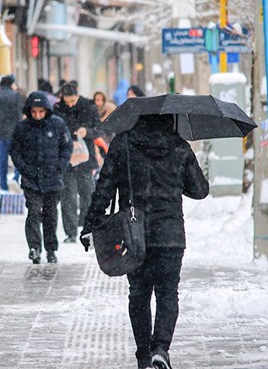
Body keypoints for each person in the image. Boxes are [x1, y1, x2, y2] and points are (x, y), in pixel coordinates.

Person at [80, 114, 209, 369]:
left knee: (138, 294)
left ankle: (143, 355)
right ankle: (161, 348)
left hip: (133, 233)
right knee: (167, 293)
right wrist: (172, 177)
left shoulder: (123, 143)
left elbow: (104, 188)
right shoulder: (179, 145)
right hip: (170, 235)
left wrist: (91, 223)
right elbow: (200, 190)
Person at [10, 92, 73, 264]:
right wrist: (24, 169)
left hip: (53, 179)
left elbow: (67, 147)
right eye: (34, 112)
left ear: (46, 111)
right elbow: (15, 150)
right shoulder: (22, 127)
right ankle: (34, 247)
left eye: (41, 112)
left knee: (51, 215)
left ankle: (51, 249)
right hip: (31, 179)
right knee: (34, 213)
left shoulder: (58, 125)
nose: (37, 116)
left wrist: (60, 167)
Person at [53, 83, 102, 243]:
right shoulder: (58, 108)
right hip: (66, 160)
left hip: (85, 159)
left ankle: (87, 227)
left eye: (72, 101)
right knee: (68, 197)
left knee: (88, 194)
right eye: (67, 102)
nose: (70, 105)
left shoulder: (88, 106)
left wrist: (86, 132)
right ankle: (71, 232)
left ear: (77, 96)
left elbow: (100, 129)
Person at [0, 75, 24, 192]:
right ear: (12, 84)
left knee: (3, 161)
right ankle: (16, 179)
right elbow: (20, 114)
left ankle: (3, 185)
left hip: (1, 132)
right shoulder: (16, 96)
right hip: (15, 132)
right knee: (18, 159)